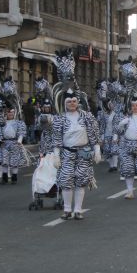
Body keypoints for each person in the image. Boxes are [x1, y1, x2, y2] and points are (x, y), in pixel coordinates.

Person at [52, 89, 101, 220]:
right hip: (67, 153)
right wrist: (56, 155)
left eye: (74, 101)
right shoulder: (59, 119)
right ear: (65, 103)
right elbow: (57, 138)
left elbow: (93, 134)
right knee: (66, 180)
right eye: (69, 102)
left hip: (83, 153)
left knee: (81, 181)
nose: (72, 104)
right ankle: (67, 210)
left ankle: (78, 210)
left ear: (78, 102)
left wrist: (97, 150)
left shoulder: (87, 116)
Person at [0, 106, 27, 184]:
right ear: (6, 113)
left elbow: (21, 132)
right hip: (4, 143)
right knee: (4, 161)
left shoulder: (18, 123)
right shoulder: (2, 123)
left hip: (15, 143)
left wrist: (19, 140)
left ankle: (14, 178)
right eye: (9, 112)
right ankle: (4, 178)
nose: (10, 114)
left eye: (12, 112)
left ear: (14, 113)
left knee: (14, 161)